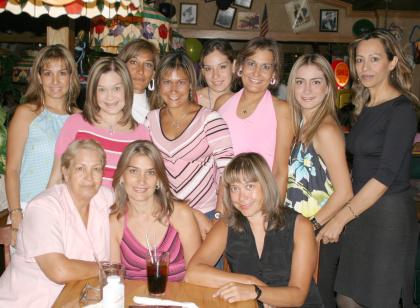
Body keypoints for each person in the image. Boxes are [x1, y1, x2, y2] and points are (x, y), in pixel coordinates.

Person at [319, 29, 419, 307]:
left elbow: (384, 176)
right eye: (360, 60)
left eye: (374, 59)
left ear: (392, 63)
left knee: (378, 300)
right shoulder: (365, 106)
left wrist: (340, 219)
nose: (365, 67)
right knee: (347, 299)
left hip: (388, 216)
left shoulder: (402, 110)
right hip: (362, 212)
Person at [185, 153, 323, 307]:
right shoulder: (226, 225)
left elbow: (298, 297)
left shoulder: (300, 226)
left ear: (265, 185)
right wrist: (250, 282)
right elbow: (192, 273)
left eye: (249, 186)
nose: (241, 197)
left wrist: (256, 291)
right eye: (235, 188)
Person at [0, 139, 113, 307]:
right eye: (80, 168)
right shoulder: (43, 208)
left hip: (76, 300)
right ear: (65, 172)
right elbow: (59, 270)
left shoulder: (105, 199)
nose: (89, 177)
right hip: (30, 303)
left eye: (96, 169)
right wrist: (107, 269)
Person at [285, 54, 353, 307]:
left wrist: (312, 228)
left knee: (316, 300)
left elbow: (345, 191)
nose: (307, 90)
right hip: (299, 231)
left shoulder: (325, 129)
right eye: (300, 82)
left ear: (327, 88)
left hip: (319, 234)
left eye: (316, 82)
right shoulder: (300, 124)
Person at [146, 51, 234, 234]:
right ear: (158, 84)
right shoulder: (150, 121)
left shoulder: (210, 120)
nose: (173, 90)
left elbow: (227, 174)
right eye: (167, 82)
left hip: (206, 217)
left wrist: (218, 218)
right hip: (166, 217)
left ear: (191, 85)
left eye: (181, 82)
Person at [5, 45, 80, 245]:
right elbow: (12, 169)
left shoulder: (81, 119)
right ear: (39, 77)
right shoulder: (26, 114)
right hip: (27, 209)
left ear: (71, 77)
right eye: (48, 73)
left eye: (62, 73)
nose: (55, 81)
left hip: (68, 213)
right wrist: (16, 214)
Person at [48, 57, 150, 189]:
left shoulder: (141, 135)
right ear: (93, 92)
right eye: (102, 89)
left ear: (127, 88)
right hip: (76, 209)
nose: (110, 96)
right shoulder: (75, 124)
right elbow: (56, 178)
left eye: (116, 88)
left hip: (120, 209)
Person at [215, 37, 293, 202]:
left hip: (259, 203)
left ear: (274, 74)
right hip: (220, 201)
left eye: (265, 67)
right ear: (240, 66)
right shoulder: (222, 103)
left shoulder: (281, 110)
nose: (257, 73)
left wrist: (273, 215)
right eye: (251, 64)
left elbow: (280, 170)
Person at [110, 140, 201, 281]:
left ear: (158, 180)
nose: (142, 180)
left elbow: (196, 276)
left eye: (150, 173)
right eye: (133, 171)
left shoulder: (180, 215)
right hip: (132, 300)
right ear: (122, 176)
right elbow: (114, 281)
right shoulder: (115, 221)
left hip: (179, 299)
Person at [118, 39, 159, 124]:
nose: (140, 71)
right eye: (134, 62)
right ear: (122, 67)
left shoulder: (161, 109)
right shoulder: (110, 104)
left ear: (153, 74)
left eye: (148, 65)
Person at [197, 39, 235, 110]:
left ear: (233, 66)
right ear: (203, 71)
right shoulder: (191, 100)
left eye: (222, 67)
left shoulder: (242, 103)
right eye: (208, 68)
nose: (215, 75)